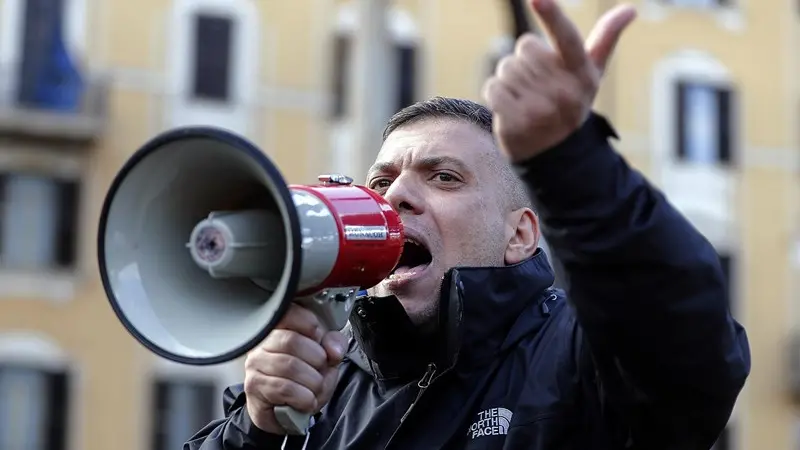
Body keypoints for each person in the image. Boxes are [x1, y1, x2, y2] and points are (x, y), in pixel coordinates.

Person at [186, 0, 750, 449]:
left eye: (445, 177)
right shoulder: (327, 373)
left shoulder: (577, 360)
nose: (398, 195)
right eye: (381, 182)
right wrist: (256, 429)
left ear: (520, 235)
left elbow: (686, 350)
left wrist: (572, 163)